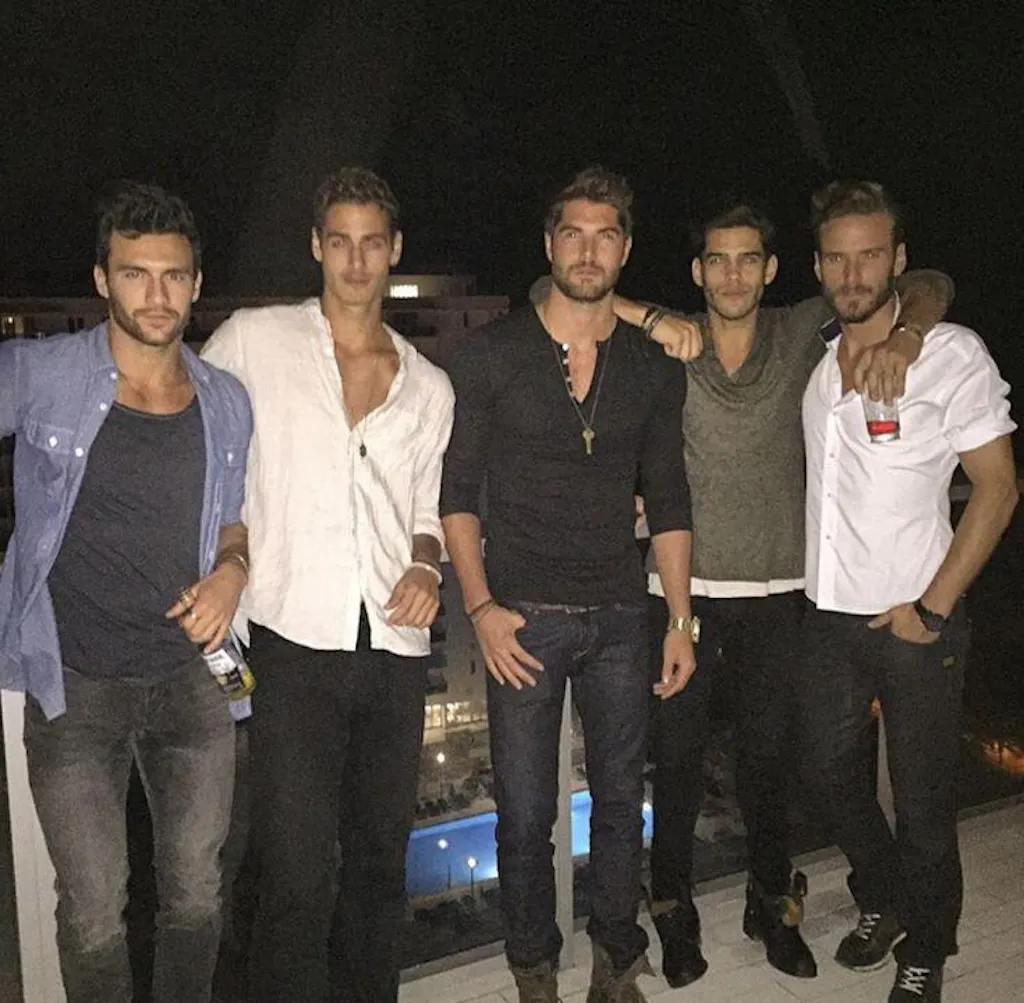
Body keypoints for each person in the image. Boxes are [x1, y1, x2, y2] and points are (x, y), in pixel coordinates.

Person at [612, 203, 954, 987]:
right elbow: (550, 293)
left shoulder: (803, 331)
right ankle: (674, 907)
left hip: (777, 594)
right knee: (677, 761)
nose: (732, 274)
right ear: (697, 271)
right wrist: (654, 316)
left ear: (771, 269)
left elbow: (930, 281)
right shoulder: (669, 339)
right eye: (717, 260)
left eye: (748, 259)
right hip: (680, 590)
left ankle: (771, 903)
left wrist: (907, 337)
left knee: (767, 764)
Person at [441, 166, 696, 1003]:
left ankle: (617, 964)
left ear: (626, 248)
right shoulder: (491, 354)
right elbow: (457, 493)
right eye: (573, 234)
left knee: (623, 805)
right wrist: (480, 607)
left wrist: (680, 619)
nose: (588, 251)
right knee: (523, 816)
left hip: (622, 615)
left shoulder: (652, 366)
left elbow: (669, 498)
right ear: (549, 245)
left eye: (605, 235)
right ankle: (534, 971)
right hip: (522, 620)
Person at [201, 166, 455, 1003]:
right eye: (339, 241)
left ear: (394, 250)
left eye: (371, 243)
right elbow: (190, 431)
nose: (355, 260)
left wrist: (426, 562)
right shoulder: (255, 340)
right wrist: (226, 551)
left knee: (380, 863)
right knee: (297, 873)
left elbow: (426, 509)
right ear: (316, 246)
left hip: (393, 649)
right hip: (291, 643)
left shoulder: (428, 384)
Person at [0, 182, 253, 1003]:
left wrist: (232, 571)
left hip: (193, 681)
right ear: (103, 279)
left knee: (197, 895)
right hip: (76, 686)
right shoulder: (43, 374)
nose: (156, 294)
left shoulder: (225, 400)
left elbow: (233, 520)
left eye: (173, 275)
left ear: (196, 284)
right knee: (92, 914)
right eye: (135, 274)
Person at [798, 180, 1017, 1003]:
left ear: (896, 259)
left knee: (924, 806)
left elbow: (997, 486)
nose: (853, 273)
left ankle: (926, 946)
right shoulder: (818, 352)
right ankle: (887, 895)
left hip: (917, 621)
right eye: (838, 258)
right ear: (819, 267)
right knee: (826, 773)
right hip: (830, 615)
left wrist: (934, 606)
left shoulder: (950, 354)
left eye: (869, 255)